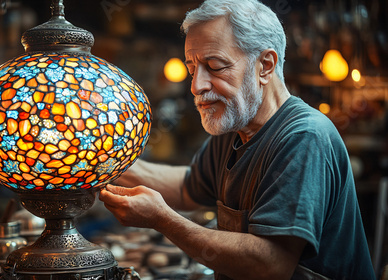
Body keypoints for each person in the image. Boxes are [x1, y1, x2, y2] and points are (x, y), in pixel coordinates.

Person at [99, 0, 376, 279]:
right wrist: (100, 160)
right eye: (193, 69)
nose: (197, 86)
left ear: (265, 66)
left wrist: (163, 220)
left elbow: (271, 264)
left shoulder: (304, 137)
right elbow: (187, 189)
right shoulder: (236, 124)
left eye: (215, 66)